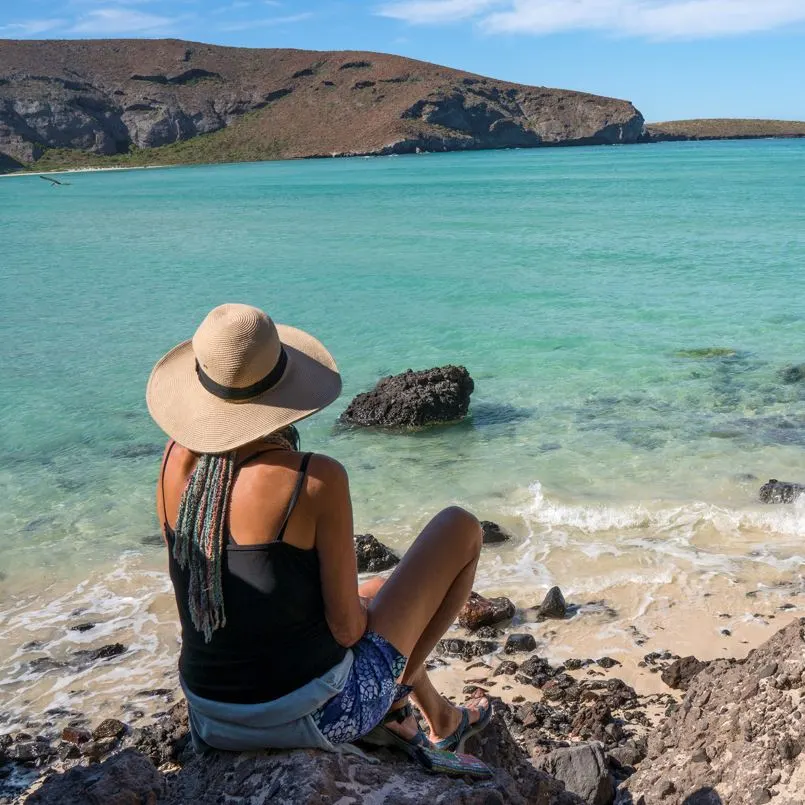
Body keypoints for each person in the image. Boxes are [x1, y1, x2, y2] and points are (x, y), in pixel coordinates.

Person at [146, 303, 491, 769]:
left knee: (377, 589)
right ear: (282, 388)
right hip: (312, 717)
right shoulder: (313, 478)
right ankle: (393, 706)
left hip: (210, 716)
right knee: (460, 528)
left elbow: (203, 592)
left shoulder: (173, 463)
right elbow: (347, 629)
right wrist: (369, 615)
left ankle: (442, 718)